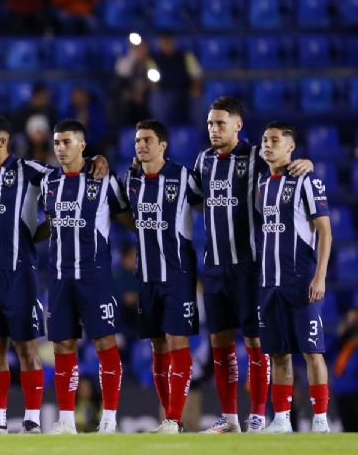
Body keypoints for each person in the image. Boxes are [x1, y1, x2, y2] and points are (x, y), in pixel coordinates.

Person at [194, 97, 313, 433]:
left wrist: (306, 162)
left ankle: (258, 415)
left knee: (255, 343)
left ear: (238, 125)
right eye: (209, 124)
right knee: (220, 343)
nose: (213, 130)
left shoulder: (257, 156)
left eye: (220, 123)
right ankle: (230, 418)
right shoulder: (203, 161)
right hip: (214, 267)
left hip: (248, 266)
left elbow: (285, 164)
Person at [38, 119, 128, 434]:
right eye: (57, 142)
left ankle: (109, 419)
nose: (60, 148)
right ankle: (65, 421)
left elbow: (125, 213)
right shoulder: (49, 181)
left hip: (95, 276)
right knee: (63, 346)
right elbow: (47, 223)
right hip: (60, 278)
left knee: (105, 343)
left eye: (67, 142)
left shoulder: (104, 179)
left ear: (82, 145)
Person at [0, 116, 54, 434]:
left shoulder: (29, 171)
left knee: (26, 347)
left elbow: (69, 176)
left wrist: (97, 160)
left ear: (3, 141)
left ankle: (32, 419)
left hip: (19, 273)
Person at [123, 120, 202, 433]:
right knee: (157, 345)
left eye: (147, 140)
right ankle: (169, 419)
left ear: (163, 145)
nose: (141, 145)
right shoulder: (131, 179)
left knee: (176, 340)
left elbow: (211, 204)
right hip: (147, 275)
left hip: (178, 273)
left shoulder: (184, 177)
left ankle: (173, 416)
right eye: (138, 140)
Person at [255, 122, 332, 433]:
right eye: (264, 140)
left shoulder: (306, 179)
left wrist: (320, 276)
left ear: (291, 148)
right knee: (278, 354)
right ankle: (282, 419)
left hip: (300, 281)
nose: (268, 145)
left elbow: (325, 230)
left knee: (312, 352)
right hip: (268, 283)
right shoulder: (261, 185)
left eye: (275, 140)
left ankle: (321, 420)